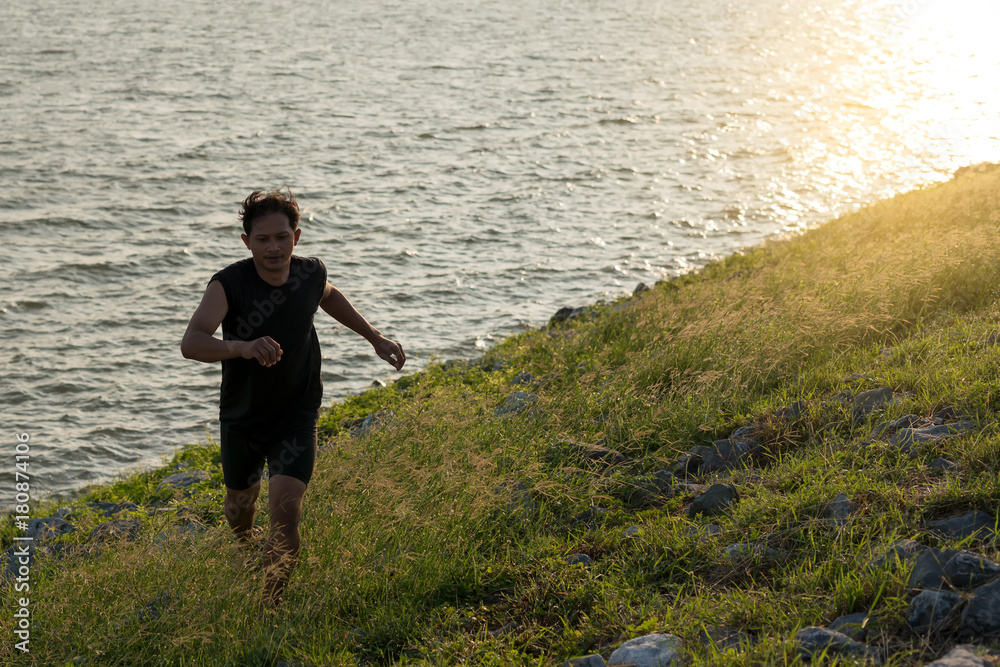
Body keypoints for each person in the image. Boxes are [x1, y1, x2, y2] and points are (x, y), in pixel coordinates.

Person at [180, 187, 405, 608]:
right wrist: (242, 347)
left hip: (296, 419)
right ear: (247, 242)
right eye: (262, 239)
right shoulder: (228, 285)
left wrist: (373, 337)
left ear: (296, 237)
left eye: (282, 237)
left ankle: (271, 608)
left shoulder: (309, 273)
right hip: (242, 419)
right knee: (239, 510)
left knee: (285, 516)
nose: (273, 247)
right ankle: (245, 553)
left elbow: (328, 295)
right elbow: (191, 343)